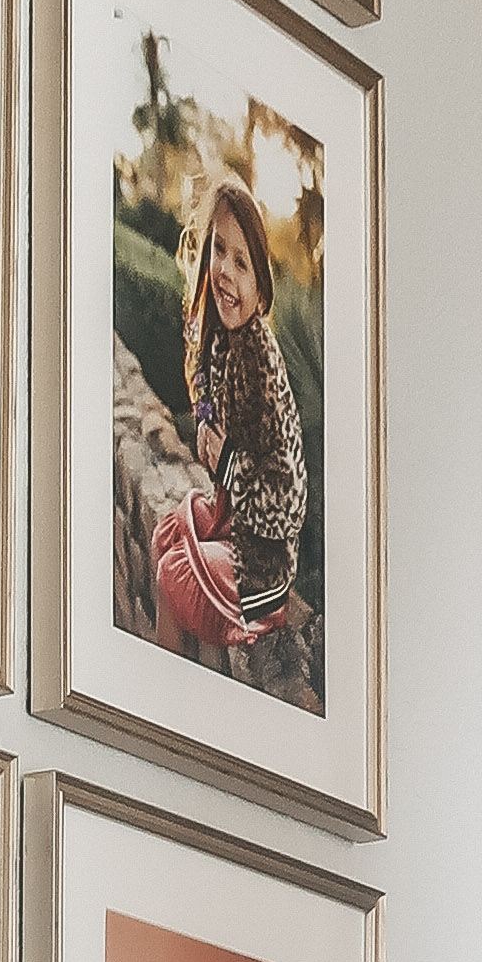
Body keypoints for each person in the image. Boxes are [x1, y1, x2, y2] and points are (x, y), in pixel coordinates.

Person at [148, 180, 310, 668]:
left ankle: (171, 693)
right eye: (219, 250)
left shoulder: (259, 360)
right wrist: (201, 419)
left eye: (242, 263)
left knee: (172, 576)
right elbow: (201, 384)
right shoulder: (221, 337)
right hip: (233, 516)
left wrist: (230, 462)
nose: (225, 271)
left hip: (262, 564)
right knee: (166, 532)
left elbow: (290, 500)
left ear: (260, 286)